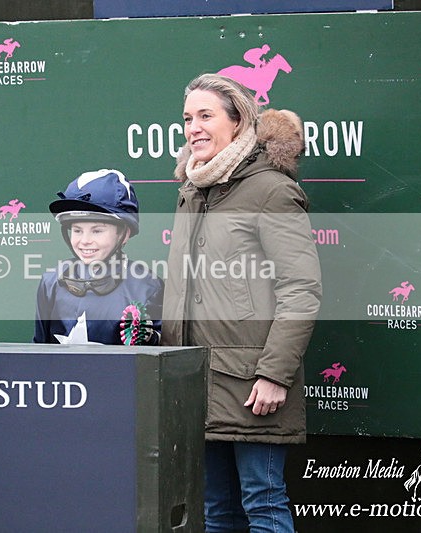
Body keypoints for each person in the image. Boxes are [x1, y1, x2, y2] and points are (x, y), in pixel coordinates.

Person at [162, 73, 322, 532]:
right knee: (215, 512)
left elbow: (301, 290)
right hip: (196, 382)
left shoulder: (271, 190)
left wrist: (274, 374)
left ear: (238, 120)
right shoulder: (193, 190)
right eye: (187, 118)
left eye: (205, 116)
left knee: (264, 503)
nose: (193, 127)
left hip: (254, 386)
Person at [34, 169, 163, 346]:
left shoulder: (148, 286)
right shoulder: (51, 283)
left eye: (97, 231)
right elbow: (39, 353)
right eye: (77, 230)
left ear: (124, 233)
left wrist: (152, 338)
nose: (85, 241)